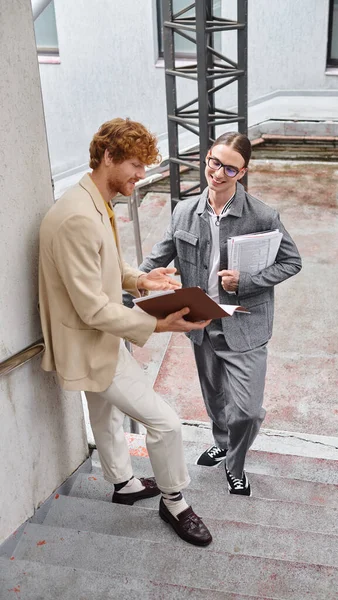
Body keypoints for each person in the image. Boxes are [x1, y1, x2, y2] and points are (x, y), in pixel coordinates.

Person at [38, 118, 212, 546]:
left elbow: (106, 268)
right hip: (90, 340)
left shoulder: (92, 200)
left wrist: (141, 281)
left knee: (104, 412)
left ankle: (123, 484)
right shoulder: (77, 217)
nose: (142, 174)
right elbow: (92, 307)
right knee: (166, 423)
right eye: (136, 164)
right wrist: (157, 322)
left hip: (97, 333)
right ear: (109, 157)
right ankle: (174, 503)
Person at [140, 132, 302, 496]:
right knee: (215, 399)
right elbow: (154, 261)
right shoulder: (184, 211)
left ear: (242, 172)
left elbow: (292, 261)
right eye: (214, 162)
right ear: (207, 159)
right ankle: (223, 440)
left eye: (230, 168)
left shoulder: (262, 215)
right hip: (201, 323)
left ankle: (235, 462)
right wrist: (128, 287)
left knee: (245, 409)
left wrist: (248, 280)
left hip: (245, 323)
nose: (218, 173)